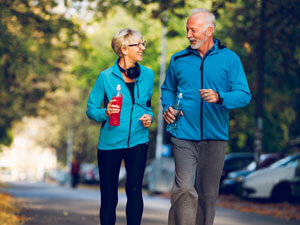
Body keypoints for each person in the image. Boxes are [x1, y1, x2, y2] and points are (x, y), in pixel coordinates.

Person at [161, 8, 251, 225]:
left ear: (209, 31)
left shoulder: (229, 59)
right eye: (187, 30)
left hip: (215, 136)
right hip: (183, 133)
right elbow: (168, 88)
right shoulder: (178, 59)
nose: (188, 35)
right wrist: (169, 107)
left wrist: (220, 97)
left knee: (208, 195)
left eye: (193, 30)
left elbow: (244, 95)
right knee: (184, 188)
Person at [86, 28, 154, 225]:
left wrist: (149, 117)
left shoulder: (148, 75)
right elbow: (91, 109)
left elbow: (147, 107)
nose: (142, 48)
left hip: (139, 141)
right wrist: (105, 112)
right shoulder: (105, 77)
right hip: (110, 143)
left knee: (134, 190)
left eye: (143, 43)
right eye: (138, 44)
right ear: (124, 49)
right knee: (109, 196)